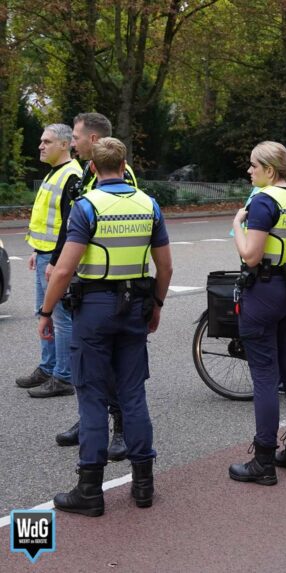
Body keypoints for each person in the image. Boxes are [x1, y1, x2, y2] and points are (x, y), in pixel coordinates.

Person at [37, 137, 172, 516]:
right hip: (135, 308)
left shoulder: (86, 207)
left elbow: (64, 270)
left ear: (93, 168)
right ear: (125, 165)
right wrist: (157, 305)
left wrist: (46, 312)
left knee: (93, 395)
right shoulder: (149, 205)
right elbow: (165, 267)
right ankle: (143, 485)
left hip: (94, 309)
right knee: (133, 395)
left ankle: (90, 491)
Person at [229, 141, 286, 485]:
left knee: (265, 375)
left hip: (265, 291)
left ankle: (263, 461)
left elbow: (251, 255)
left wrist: (237, 224)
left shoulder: (264, 201)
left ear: (268, 169)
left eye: (253, 165)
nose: (249, 171)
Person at [53, 112, 138, 461]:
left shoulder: (120, 175)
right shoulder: (88, 173)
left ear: (92, 139)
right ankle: (90, 419)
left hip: (112, 285)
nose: (72, 143)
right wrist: (59, 261)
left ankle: (120, 428)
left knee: (112, 363)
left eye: (75, 137)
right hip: (85, 279)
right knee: (86, 360)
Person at [15, 124, 82, 398]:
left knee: (60, 317)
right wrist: (37, 250)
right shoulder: (55, 172)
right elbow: (49, 221)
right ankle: (48, 368)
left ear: (64, 145)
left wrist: (55, 260)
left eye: (47, 141)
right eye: (42, 141)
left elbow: (69, 224)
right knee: (44, 313)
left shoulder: (71, 175)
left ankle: (63, 376)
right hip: (45, 254)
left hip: (56, 258)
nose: (40, 146)